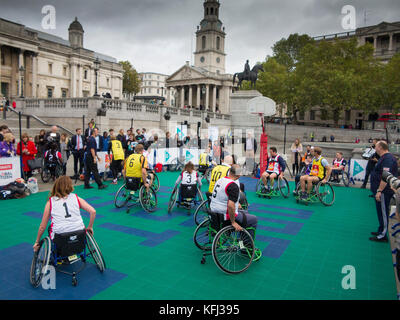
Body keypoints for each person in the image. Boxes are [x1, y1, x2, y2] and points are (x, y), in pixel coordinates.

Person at [32, 176, 97, 252]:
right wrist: (90, 227)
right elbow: (93, 211)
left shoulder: (50, 202)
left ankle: (57, 252)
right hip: (79, 233)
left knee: (50, 228)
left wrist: (37, 241)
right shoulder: (76, 198)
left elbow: (42, 226)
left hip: (60, 236)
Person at [209, 164, 259, 255]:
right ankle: (247, 246)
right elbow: (231, 206)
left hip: (214, 212)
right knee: (253, 219)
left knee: (245, 212)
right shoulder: (233, 186)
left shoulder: (220, 180)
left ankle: (241, 240)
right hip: (224, 216)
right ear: (239, 175)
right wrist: (233, 222)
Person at [369, 141, 398, 242]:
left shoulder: (388, 159)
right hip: (380, 190)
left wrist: (379, 190)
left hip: (384, 191)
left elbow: (386, 176)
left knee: (383, 212)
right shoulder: (384, 158)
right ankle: (381, 229)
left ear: (380, 147)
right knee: (380, 212)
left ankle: (383, 235)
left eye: (376, 147)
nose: (375, 149)